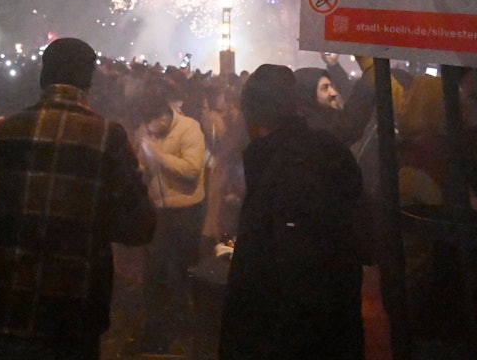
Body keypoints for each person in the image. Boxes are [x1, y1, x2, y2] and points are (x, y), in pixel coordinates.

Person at [0, 37, 156, 360]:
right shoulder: (109, 139)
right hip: (71, 323)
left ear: (42, 77)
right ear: (90, 81)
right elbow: (141, 226)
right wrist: (85, 227)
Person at [219, 64, 365, 360]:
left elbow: (280, 268)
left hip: (285, 338)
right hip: (337, 327)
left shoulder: (278, 165)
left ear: (251, 115)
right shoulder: (328, 149)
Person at [131, 86, 206, 355]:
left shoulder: (190, 129)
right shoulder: (150, 133)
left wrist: (157, 155)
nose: (149, 131)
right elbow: (144, 166)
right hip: (158, 210)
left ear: (163, 117)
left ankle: (187, 323)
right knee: (154, 270)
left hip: (186, 210)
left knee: (184, 268)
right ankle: (156, 330)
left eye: (152, 125)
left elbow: (191, 170)